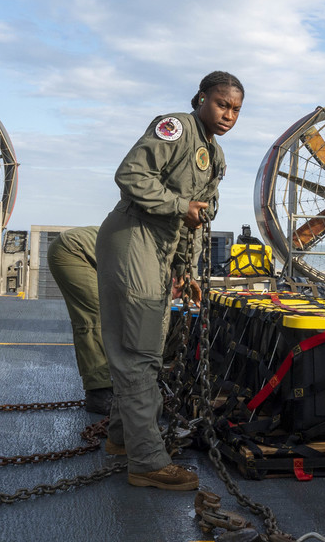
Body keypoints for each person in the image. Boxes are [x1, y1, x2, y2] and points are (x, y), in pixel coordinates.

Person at [96, 71, 243, 490]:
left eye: (236, 110)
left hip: (161, 248)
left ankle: (122, 439)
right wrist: (180, 205)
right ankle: (146, 462)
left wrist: (185, 270)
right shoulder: (175, 128)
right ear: (201, 99)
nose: (229, 115)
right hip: (134, 236)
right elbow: (131, 175)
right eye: (222, 104)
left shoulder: (215, 155)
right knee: (139, 352)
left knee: (148, 346)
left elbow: (194, 221)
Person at [46, 225, 113, 414]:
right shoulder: (154, 262)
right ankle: (99, 393)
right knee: (94, 318)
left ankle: (108, 382)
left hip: (86, 253)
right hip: (72, 251)